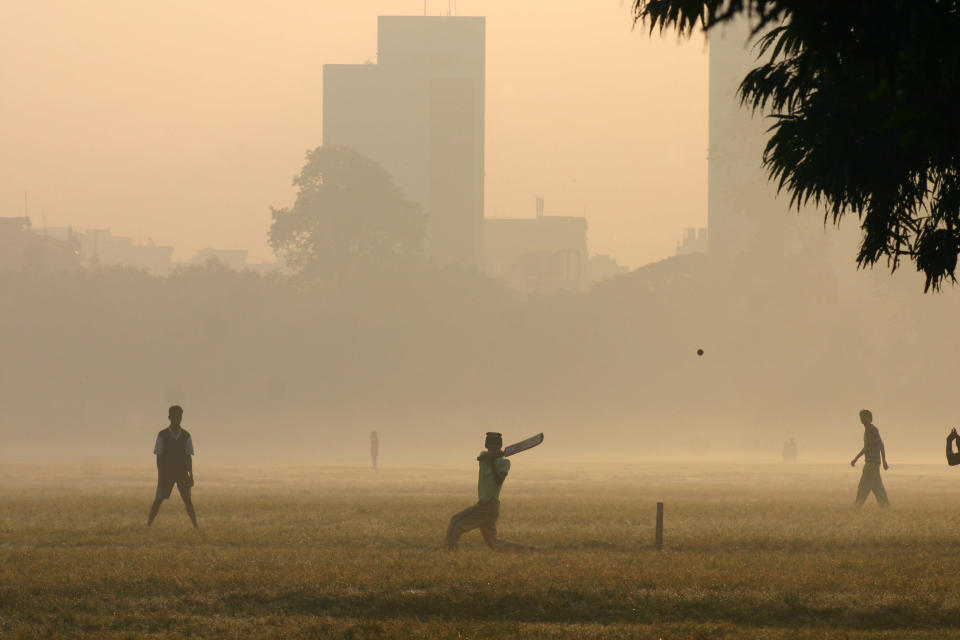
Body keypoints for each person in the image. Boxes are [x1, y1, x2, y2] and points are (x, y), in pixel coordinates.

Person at [445, 432, 533, 551]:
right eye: (490, 444)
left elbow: (498, 480)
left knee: (456, 521)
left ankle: (449, 551)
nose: (492, 446)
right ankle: (530, 551)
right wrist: (493, 457)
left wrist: (493, 462)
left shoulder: (504, 463)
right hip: (486, 505)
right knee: (494, 544)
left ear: (500, 446)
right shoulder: (483, 456)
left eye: (495, 445)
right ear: (486, 445)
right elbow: (480, 457)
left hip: (489, 504)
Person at [147, 405, 199, 528]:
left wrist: (191, 475)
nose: (178, 418)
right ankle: (148, 525)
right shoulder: (162, 435)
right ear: (169, 417)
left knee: (188, 501)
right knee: (158, 500)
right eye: (175, 416)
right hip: (167, 473)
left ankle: (196, 526)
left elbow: (188, 457)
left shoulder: (186, 435)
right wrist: (160, 474)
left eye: (179, 416)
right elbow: (159, 457)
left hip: (182, 473)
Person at [850, 409, 890, 508]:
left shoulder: (871, 430)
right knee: (877, 488)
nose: (862, 419)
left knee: (863, 486)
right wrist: (856, 458)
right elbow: (867, 448)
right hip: (873, 463)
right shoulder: (868, 430)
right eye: (861, 417)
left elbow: (880, 445)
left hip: (872, 463)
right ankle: (886, 507)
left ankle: (857, 505)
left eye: (864, 417)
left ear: (869, 418)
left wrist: (884, 461)